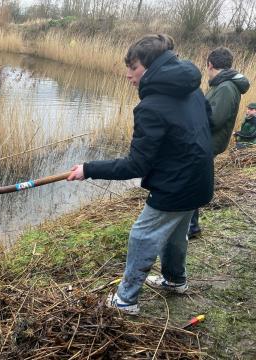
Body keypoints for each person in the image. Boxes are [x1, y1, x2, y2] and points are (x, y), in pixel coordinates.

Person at [67, 34, 214, 314]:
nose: (127, 75)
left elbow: (135, 166)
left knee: (142, 236)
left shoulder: (150, 106)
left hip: (176, 186)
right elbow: (208, 124)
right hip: (200, 181)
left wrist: (88, 169)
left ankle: (126, 300)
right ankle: (174, 280)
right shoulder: (193, 89)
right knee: (175, 234)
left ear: (150, 66)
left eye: (132, 67)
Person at [188, 47, 250, 238]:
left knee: (190, 181)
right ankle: (192, 225)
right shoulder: (221, 85)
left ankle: (191, 227)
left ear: (209, 64)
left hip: (209, 142)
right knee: (191, 180)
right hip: (207, 141)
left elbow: (214, 119)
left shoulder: (225, 87)